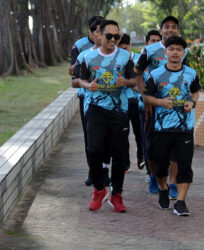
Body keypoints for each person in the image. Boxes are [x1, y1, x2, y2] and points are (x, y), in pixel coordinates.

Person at [79, 20, 137, 213]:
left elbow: (134, 81)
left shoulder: (125, 56)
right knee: (93, 150)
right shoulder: (88, 57)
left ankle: (117, 195)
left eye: (116, 36)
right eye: (109, 36)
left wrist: (125, 82)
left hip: (119, 111)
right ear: (100, 36)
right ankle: (99, 189)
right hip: (95, 109)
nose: (113, 40)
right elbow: (77, 80)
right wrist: (88, 86)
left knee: (119, 155)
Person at [143, 35, 200, 216]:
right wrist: (159, 102)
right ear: (165, 52)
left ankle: (181, 203)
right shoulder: (156, 75)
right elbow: (146, 96)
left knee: (185, 165)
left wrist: (192, 103)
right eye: (172, 49)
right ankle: (162, 188)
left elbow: (196, 91)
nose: (175, 52)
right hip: (162, 128)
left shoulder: (191, 73)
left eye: (179, 50)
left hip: (184, 128)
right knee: (160, 167)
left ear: (184, 53)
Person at [136, 16, 188, 198]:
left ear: (178, 31)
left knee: (174, 149)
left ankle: (172, 183)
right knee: (151, 148)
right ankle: (152, 175)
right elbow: (138, 73)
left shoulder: (184, 51)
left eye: (174, 27)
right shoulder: (149, 51)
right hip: (153, 107)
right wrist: (146, 98)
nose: (170, 30)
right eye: (167, 27)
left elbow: (187, 77)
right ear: (161, 30)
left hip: (175, 108)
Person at [71, 18, 111, 188]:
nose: (100, 35)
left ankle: (104, 170)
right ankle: (93, 171)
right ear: (91, 32)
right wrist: (85, 82)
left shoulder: (117, 54)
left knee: (108, 138)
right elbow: (73, 74)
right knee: (91, 138)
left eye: (104, 32)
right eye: (97, 31)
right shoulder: (81, 49)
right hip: (88, 100)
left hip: (112, 103)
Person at [117, 34, 145, 172]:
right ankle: (124, 163)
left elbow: (142, 79)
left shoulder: (139, 59)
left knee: (139, 132)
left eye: (125, 48)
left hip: (136, 101)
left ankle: (141, 157)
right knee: (123, 133)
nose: (123, 50)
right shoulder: (115, 59)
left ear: (130, 45)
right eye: (120, 48)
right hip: (121, 102)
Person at [139, 30, 162, 182]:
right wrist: (145, 97)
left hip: (165, 108)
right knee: (148, 141)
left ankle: (163, 173)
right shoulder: (143, 60)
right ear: (147, 43)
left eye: (157, 41)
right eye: (152, 40)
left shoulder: (164, 61)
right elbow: (136, 78)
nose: (154, 43)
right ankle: (150, 172)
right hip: (145, 107)